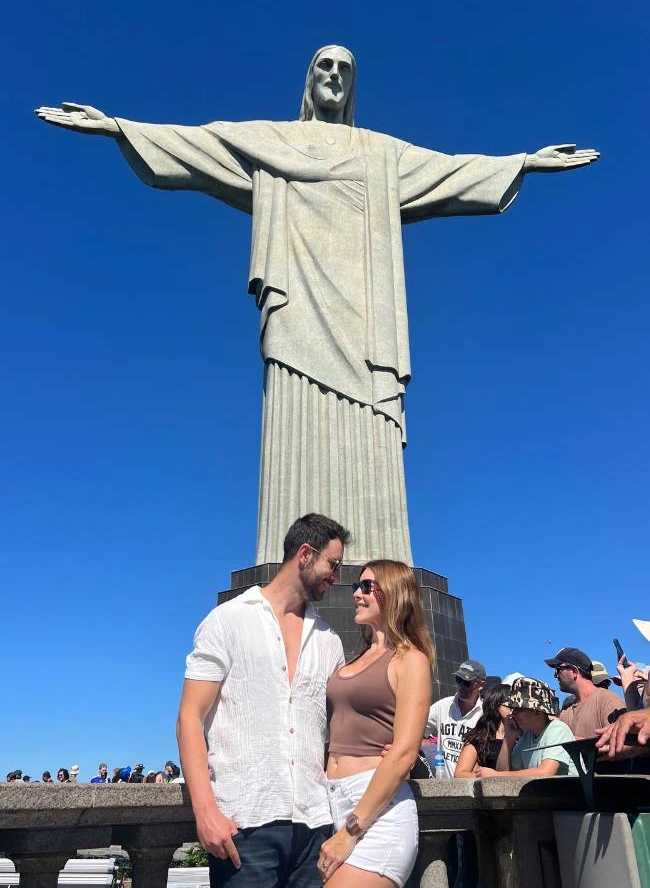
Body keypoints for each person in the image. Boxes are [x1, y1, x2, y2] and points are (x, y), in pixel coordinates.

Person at [35, 47, 599, 568]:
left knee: (371, 422)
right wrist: (118, 127)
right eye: (324, 66)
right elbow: (201, 144)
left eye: (344, 70)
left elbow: (450, 170)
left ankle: (382, 556)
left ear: (352, 86)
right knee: (294, 411)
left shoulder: (380, 152)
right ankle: (290, 555)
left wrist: (522, 162)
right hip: (299, 304)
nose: (333, 75)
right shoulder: (270, 140)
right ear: (309, 80)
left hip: (365, 313)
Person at [177, 512, 349, 887]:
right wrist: (205, 811)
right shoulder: (228, 621)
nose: (336, 577)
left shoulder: (329, 640)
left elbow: (339, 732)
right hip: (245, 824)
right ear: (304, 554)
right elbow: (190, 717)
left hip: (315, 826)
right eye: (332, 565)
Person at [317, 560, 433, 886]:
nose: (356, 593)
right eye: (357, 585)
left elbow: (405, 753)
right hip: (333, 804)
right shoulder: (357, 656)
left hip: (377, 813)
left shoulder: (411, 659)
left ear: (393, 593)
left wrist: (351, 831)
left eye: (367, 586)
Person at [477, 677, 578, 778]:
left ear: (538, 711)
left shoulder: (557, 729)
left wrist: (496, 775)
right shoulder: (527, 736)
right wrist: (508, 739)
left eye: (519, 709)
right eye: (512, 708)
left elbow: (546, 773)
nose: (513, 713)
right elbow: (505, 774)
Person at [424, 660, 487, 778]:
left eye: (467, 682)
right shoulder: (442, 706)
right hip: (443, 788)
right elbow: (417, 727)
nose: (461, 686)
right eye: (459, 680)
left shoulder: (484, 714)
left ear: (481, 685)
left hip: (471, 787)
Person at [544, 647, 624, 738]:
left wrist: (579, 744)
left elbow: (626, 745)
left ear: (574, 671)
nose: (556, 676)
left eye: (558, 669)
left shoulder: (608, 701)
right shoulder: (566, 710)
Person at [454, 684, 516, 778]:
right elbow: (460, 773)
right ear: (496, 703)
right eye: (510, 701)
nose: (514, 706)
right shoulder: (479, 739)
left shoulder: (521, 737)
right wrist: (486, 777)